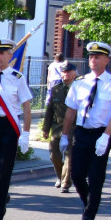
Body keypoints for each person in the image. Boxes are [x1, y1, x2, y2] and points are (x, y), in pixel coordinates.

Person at [61, 42, 111, 220]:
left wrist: (106, 136)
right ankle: (89, 201)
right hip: (82, 132)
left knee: (96, 176)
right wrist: (64, 135)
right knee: (77, 174)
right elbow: (70, 111)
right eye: (91, 57)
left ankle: (88, 215)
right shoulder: (80, 83)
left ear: (106, 60)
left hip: (101, 133)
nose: (93, 60)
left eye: (97, 57)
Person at [0, 37, 33, 220]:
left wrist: (26, 133)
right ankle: (0, 196)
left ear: (10, 55)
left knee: (4, 171)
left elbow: (27, 107)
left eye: (2, 53)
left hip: (9, 128)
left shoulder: (17, 78)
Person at [42, 61, 76, 193]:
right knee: (53, 155)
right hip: (57, 128)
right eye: (63, 71)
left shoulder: (79, 88)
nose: (65, 74)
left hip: (74, 129)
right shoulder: (56, 89)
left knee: (69, 156)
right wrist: (46, 128)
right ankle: (60, 176)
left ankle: (66, 183)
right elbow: (50, 110)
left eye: (68, 71)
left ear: (74, 73)